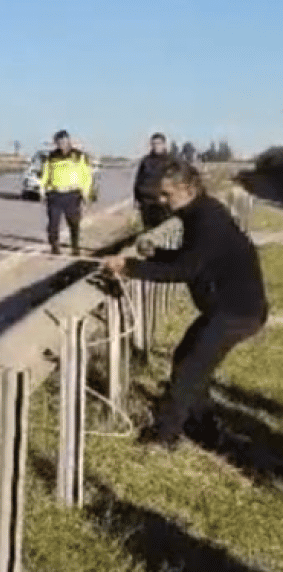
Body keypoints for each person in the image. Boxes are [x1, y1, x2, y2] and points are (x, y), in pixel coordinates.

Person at [101, 158, 269, 450]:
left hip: (237, 312)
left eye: (167, 194)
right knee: (186, 359)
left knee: (190, 369)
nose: (162, 201)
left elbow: (185, 270)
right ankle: (203, 427)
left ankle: (164, 436)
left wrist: (129, 268)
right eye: (160, 195)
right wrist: (156, 255)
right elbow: (192, 259)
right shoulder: (200, 213)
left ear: (189, 188)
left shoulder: (207, 218)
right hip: (228, 309)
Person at [39, 129, 94, 256]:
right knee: (53, 223)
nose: (62, 145)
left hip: (72, 194)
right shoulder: (51, 157)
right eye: (59, 142)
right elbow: (45, 175)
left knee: (74, 223)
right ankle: (54, 246)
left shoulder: (79, 156)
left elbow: (86, 176)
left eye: (64, 142)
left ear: (69, 141)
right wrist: (42, 191)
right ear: (56, 143)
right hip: (55, 194)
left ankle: (75, 247)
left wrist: (86, 194)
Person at [133, 132, 176, 229]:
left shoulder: (170, 161)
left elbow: (176, 183)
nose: (156, 146)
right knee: (148, 230)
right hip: (146, 204)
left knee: (162, 230)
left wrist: (168, 197)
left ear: (164, 144)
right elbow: (138, 181)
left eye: (158, 143)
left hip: (162, 204)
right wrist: (136, 200)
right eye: (153, 144)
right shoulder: (146, 161)